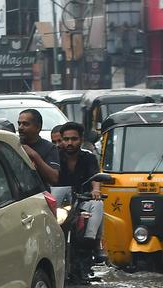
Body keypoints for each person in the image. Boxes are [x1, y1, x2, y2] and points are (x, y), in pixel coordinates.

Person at [56, 122, 104, 269]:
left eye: (74, 139)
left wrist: (95, 190)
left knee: (98, 204)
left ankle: (93, 242)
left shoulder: (88, 158)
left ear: (81, 140)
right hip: (58, 203)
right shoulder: (55, 157)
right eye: (66, 139)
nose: (69, 143)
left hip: (82, 201)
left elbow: (95, 177)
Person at [17, 109, 60, 186]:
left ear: (38, 127)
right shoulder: (14, 144)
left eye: (25, 124)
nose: (20, 128)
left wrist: (35, 156)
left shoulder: (49, 148)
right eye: (19, 124)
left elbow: (54, 179)